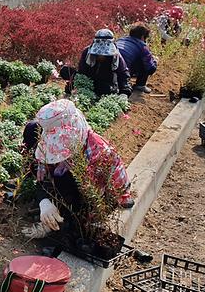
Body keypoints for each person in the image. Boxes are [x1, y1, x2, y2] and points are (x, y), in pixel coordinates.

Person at [21, 100, 133, 240]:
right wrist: (44, 201)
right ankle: (51, 204)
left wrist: (66, 217)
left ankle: (62, 216)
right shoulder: (44, 133)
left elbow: (107, 197)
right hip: (68, 184)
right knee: (31, 129)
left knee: (68, 179)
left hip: (93, 195)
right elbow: (43, 176)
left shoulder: (99, 156)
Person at [77, 29, 132, 97]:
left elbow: (123, 73)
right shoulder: (87, 52)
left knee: (106, 90)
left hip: (106, 82)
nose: (101, 56)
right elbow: (81, 70)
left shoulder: (116, 55)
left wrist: (125, 91)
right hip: (89, 81)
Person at [116, 24, 158, 94]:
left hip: (110, 68)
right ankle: (140, 85)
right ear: (142, 37)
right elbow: (150, 69)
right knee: (148, 61)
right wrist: (155, 61)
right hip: (123, 73)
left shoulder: (121, 39)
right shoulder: (142, 46)